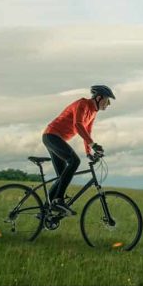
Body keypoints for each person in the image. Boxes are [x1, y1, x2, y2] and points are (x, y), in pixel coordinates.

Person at [42, 85, 114, 215]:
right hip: (51, 136)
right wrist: (93, 145)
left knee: (62, 177)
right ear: (98, 98)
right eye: (107, 100)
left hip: (55, 138)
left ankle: (45, 212)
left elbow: (87, 132)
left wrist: (88, 152)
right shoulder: (83, 104)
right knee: (74, 161)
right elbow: (78, 125)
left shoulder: (93, 112)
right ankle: (58, 200)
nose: (108, 104)